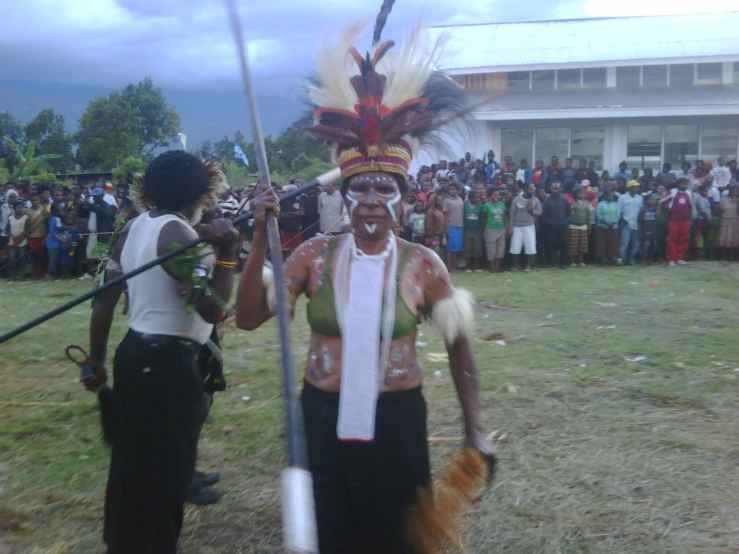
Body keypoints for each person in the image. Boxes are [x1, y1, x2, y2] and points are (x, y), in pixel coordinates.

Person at [235, 34, 494, 552]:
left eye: (385, 189)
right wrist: (262, 233)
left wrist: (476, 428)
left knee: (396, 534)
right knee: (332, 530)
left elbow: (459, 345)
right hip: (324, 417)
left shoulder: (424, 264)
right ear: (346, 196)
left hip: (396, 420)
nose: (372, 200)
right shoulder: (312, 256)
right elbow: (245, 319)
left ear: (402, 198)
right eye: (360, 189)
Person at [80, 151, 241, 554]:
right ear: (205, 190)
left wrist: (96, 361)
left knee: (133, 465)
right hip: (168, 367)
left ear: (147, 188)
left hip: (134, 353)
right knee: (165, 476)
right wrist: (227, 254)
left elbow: (104, 302)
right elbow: (214, 309)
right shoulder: (178, 237)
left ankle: (123, 542)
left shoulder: (132, 228)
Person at [659, 177, 693, 267]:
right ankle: (671, 259)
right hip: (673, 221)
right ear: (678, 184)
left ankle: (679, 258)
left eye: (686, 184)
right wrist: (670, 208)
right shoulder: (672, 192)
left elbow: (691, 207)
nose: (685, 186)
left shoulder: (689, 193)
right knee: (672, 240)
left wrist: (690, 219)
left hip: (685, 221)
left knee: (683, 240)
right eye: (683, 184)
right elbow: (661, 202)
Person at [509, 183, 541, 272]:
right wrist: (511, 227)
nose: (533, 190)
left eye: (533, 189)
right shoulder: (516, 199)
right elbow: (512, 214)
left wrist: (533, 211)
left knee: (530, 246)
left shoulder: (535, 200)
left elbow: (539, 212)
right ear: (526, 189)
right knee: (515, 246)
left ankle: (528, 266)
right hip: (517, 226)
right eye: (531, 189)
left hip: (529, 226)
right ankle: (515, 265)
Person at [540, 182, 569, 269]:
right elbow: (543, 215)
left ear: (560, 189)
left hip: (562, 226)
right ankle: (550, 262)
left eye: (557, 189)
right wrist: (549, 222)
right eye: (554, 189)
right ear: (550, 189)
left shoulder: (564, 200)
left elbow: (569, 212)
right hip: (551, 227)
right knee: (550, 245)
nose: (555, 190)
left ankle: (563, 263)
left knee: (563, 245)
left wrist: (565, 222)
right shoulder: (547, 201)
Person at [617, 180, 643, 265]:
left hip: (636, 223)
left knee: (635, 243)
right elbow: (619, 211)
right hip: (626, 222)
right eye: (635, 187)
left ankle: (631, 259)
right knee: (624, 242)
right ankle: (621, 258)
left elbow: (641, 211)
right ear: (630, 188)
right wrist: (622, 221)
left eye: (637, 187)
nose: (637, 188)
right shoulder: (622, 198)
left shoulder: (640, 198)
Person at [483, 188, 509, 272]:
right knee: (491, 248)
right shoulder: (487, 205)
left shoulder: (502, 204)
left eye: (498, 195)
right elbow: (484, 218)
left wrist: (508, 228)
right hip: (490, 229)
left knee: (500, 248)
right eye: (494, 195)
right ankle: (492, 266)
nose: (496, 197)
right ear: (490, 196)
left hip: (501, 229)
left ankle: (497, 266)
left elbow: (505, 217)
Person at [443, 182, 464, 272]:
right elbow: (446, 215)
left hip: (460, 226)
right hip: (451, 226)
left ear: (457, 190)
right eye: (451, 189)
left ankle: (455, 266)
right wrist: (447, 228)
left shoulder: (460, 199)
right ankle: (449, 267)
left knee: (457, 247)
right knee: (450, 248)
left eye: (454, 189)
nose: (452, 191)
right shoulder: (447, 200)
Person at [595, 189, 620, 265]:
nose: (611, 197)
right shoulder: (600, 204)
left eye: (612, 196)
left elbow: (618, 215)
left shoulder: (616, 204)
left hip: (613, 227)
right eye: (609, 195)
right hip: (602, 227)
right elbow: (599, 216)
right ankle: (602, 258)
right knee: (602, 243)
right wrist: (607, 223)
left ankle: (612, 257)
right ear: (605, 196)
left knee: (612, 243)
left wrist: (613, 223)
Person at [6, 200, 30, 277]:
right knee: (12, 258)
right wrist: (13, 236)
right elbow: (7, 230)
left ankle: (21, 274)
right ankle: (13, 274)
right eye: (18, 207)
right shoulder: (10, 218)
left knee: (22, 258)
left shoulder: (26, 218)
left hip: (22, 242)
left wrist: (21, 237)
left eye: (21, 207)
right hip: (12, 242)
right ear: (14, 208)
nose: (20, 209)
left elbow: (27, 230)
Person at [568, 186, 590, 267]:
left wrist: (589, 226)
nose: (581, 194)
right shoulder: (572, 203)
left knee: (582, 245)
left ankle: (580, 261)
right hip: (574, 226)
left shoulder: (586, 204)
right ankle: (572, 261)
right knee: (573, 245)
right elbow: (570, 214)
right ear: (576, 194)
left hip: (583, 226)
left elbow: (588, 215)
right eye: (580, 193)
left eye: (583, 193)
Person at [463, 190, 484, 272]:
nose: (477, 199)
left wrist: (481, 229)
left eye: (478, 197)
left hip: (477, 229)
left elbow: (482, 217)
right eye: (475, 197)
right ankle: (468, 267)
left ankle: (476, 266)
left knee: (477, 248)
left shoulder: (480, 205)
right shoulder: (465, 205)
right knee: (467, 248)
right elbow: (463, 216)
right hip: (467, 229)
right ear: (470, 198)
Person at [717, 185, 739, 261]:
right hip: (725, 220)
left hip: (735, 221)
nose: (735, 193)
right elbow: (720, 211)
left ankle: (732, 257)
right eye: (733, 191)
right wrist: (719, 222)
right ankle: (723, 257)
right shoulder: (724, 200)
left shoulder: (738, 201)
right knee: (724, 238)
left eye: (736, 192)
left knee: (734, 239)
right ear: (730, 192)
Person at [692, 184, 712, 261]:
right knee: (699, 238)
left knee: (703, 237)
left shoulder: (705, 198)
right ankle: (699, 256)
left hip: (704, 220)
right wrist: (708, 221)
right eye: (704, 191)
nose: (706, 192)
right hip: (701, 220)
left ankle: (702, 254)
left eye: (706, 191)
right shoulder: (699, 198)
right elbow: (703, 211)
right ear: (700, 191)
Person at [638, 195, 659, 266]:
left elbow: (656, 221)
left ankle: (650, 260)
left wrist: (657, 215)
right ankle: (644, 261)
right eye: (650, 200)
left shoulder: (654, 209)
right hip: (645, 231)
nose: (652, 201)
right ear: (646, 201)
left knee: (653, 246)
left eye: (653, 200)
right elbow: (640, 222)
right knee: (646, 246)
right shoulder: (643, 209)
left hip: (653, 230)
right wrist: (640, 232)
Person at [45, 204, 64, 280]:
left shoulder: (50, 219)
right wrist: (70, 226)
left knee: (52, 258)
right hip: (54, 242)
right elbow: (60, 227)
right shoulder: (57, 219)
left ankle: (53, 274)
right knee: (53, 259)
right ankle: (50, 274)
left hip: (49, 242)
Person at [425, 194, 446, 258]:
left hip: (442, 235)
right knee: (435, 254)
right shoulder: (431, 211)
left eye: (441, 200)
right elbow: (429, 225)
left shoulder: (442, 210)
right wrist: (432, 236)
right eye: (438, 200)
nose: (440, 202)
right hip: (434, 236)